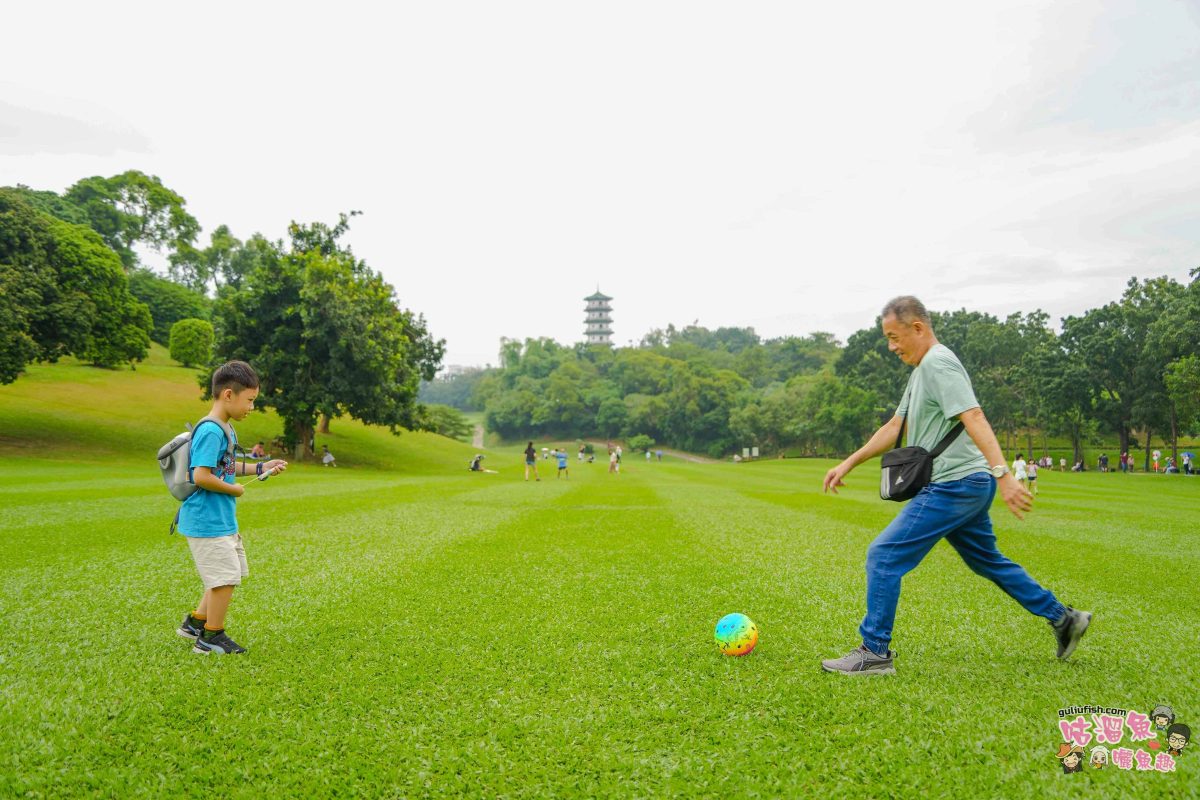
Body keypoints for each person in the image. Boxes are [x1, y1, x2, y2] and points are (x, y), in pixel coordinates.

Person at [820, 297, 1089, 676]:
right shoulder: (921, 372)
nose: (891, 347)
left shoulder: (939, 363)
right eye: (887, 339)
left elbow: (974, 415)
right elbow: (895, 427)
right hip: (967, 484)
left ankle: (874, 652)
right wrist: (848, 462)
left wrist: (1006, 474)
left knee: (883, 556)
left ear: (918, 328)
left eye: (895, 337)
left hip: (954, 484)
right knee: (988, 561)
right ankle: (1064, 619)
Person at [175, 360, 288, 655]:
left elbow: (225, 467)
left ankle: (196, 623)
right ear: (228, 395)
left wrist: (261, 466)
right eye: (249, 400)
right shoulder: (211, 430)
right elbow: (201, 475)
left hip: (220, 518)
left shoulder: (226, 429)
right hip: (206, 519)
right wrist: (233, 490)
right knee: (224, 577)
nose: (251, 407)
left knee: (227, 573)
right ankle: (211, 637)